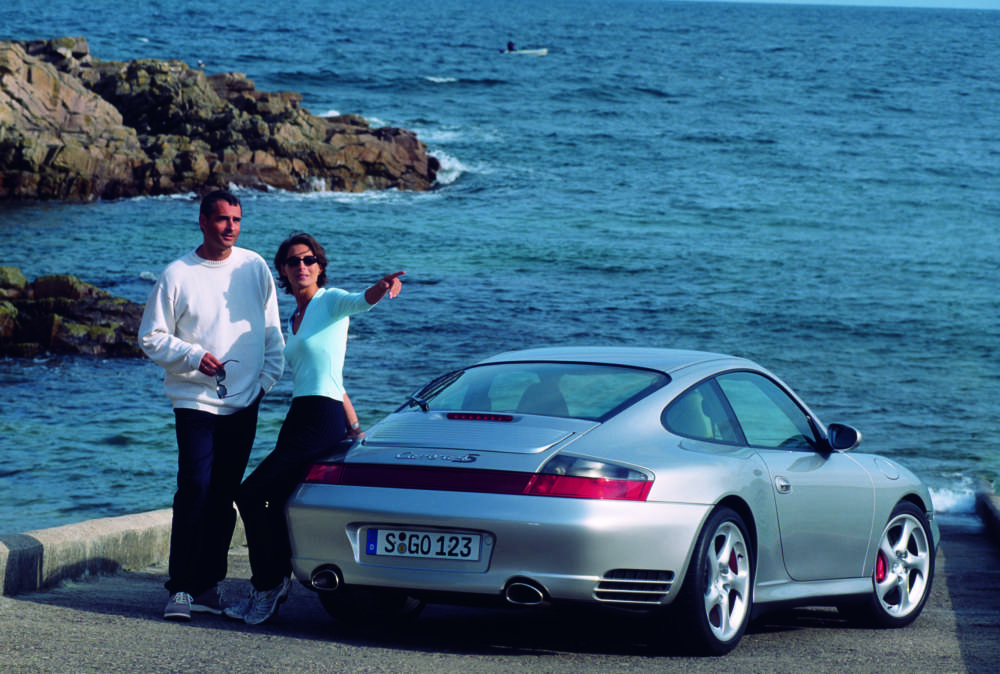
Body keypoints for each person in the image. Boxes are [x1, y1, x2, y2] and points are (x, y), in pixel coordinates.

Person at [225, 232, 404, 625]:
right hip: (301, 414)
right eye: (293, 261)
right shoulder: (293, 319)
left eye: (309, 260)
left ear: (320, 267)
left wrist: (382, 286)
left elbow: (362, 301)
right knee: (274, 500)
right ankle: (271, 582)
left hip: (320, 417)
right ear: (284, 271)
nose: (301, 266)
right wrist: (354, 426)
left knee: (251, 493)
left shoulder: (330, 301)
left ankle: (269, 584)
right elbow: (331, 375)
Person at [139, 190, 285, 622]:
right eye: (222, 219)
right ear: (202, 221)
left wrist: (265, 382)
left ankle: (206, 586)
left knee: (222, 497)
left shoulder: (254, 266)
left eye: (236, 220)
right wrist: (192, 356)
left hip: (245, 402)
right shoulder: (177, 274)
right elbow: (151, 336)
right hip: (194, 401)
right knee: (195, 488)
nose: (230, 228)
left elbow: (271, 330)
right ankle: (181, 588)